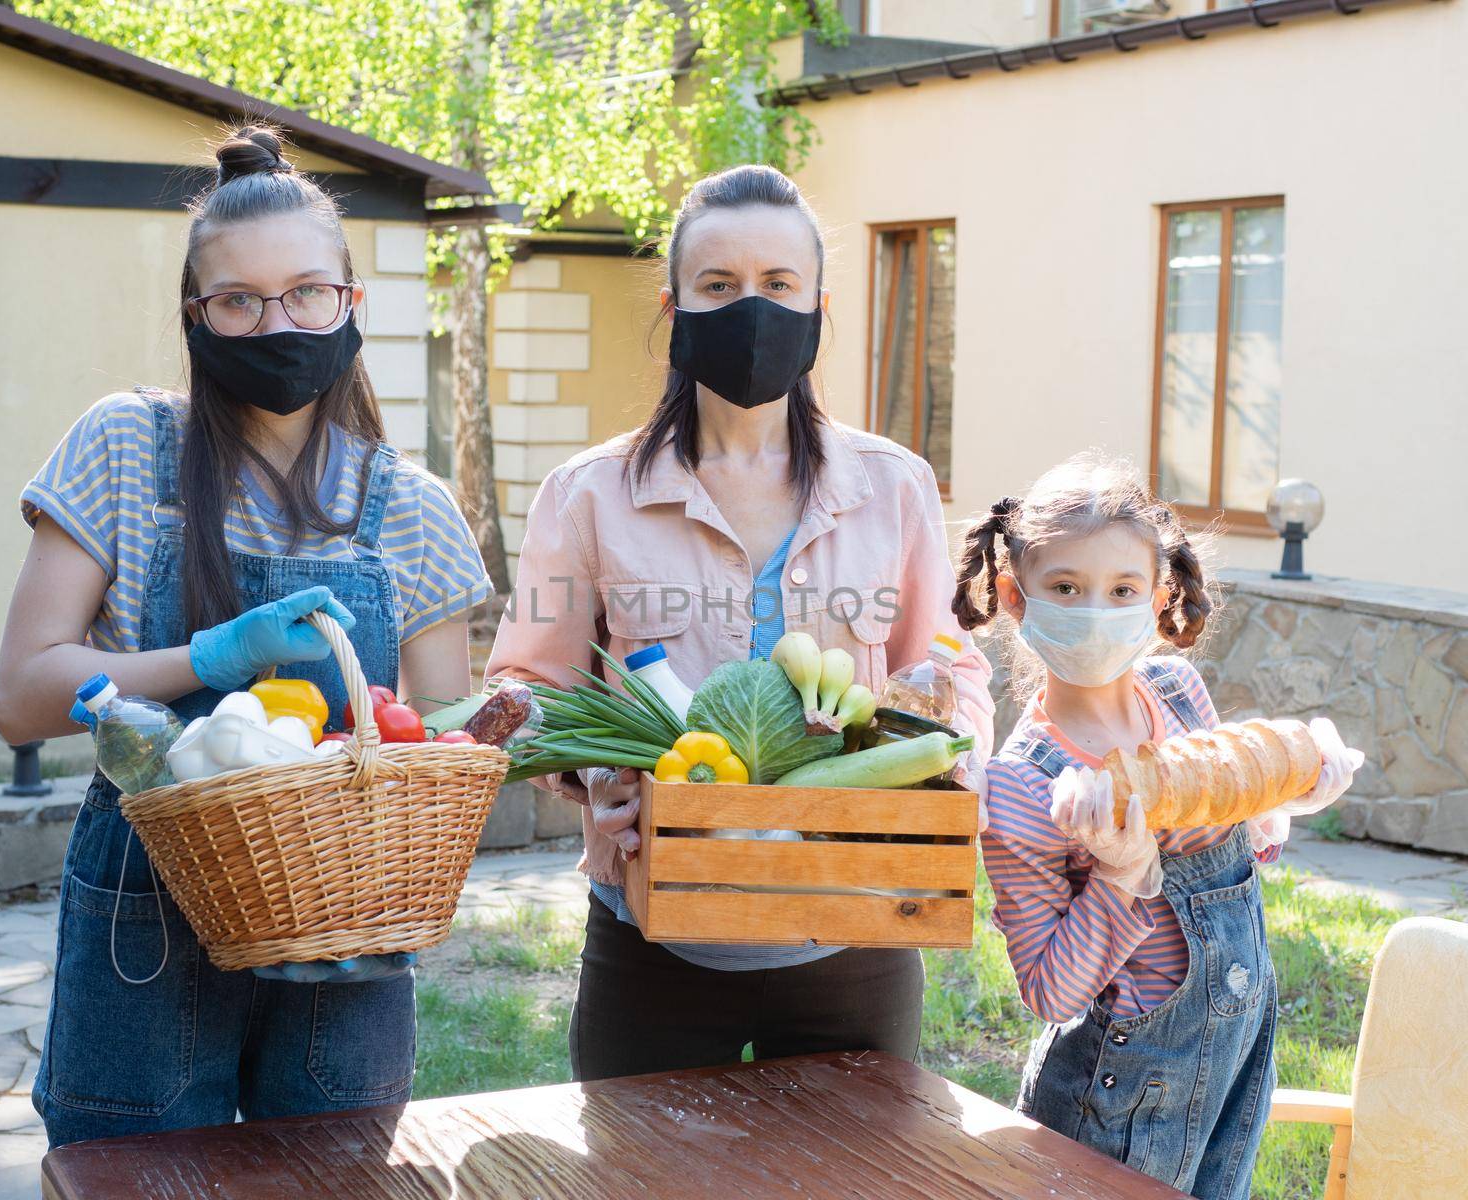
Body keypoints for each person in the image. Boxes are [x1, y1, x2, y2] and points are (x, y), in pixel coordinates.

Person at [0, 126, 490, 1147]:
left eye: (307, 292)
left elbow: (441, 746)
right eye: (238, 301)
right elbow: (18, 699)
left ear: (352, 303)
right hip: (145, 915)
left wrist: (506, 731)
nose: (277, 323)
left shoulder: (414, 507)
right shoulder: (124, 449)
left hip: (342, 931)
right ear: (196, 316)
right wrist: (208, 660)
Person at [485, 164, 995, 1082]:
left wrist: (950, 753)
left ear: (817, 308)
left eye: (777, 285)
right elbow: (525, 692)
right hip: (653, 934)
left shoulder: (895, 488)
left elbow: (951, 670)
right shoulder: (589, 495)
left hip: (857, 930)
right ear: (677, 308)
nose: (748, 309)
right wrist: (597, 771)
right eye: (718, 287)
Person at [953, 454, 1362, 1200]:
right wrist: (1119, 877)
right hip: (1115, 1096)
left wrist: (1279, 802)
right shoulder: (1022, 785)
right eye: (1066, 588)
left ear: (1158, 594)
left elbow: (1226, 845)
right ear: (1015, 596)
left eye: (1121, 589)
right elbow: (1051, 991)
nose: (1094, 609)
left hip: (1235, 1056)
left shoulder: (1176, 692)